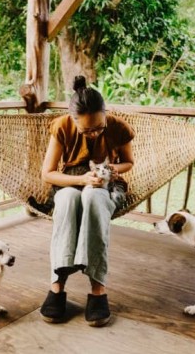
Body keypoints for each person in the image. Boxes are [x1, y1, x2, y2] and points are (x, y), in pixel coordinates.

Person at [39, 75, 135, 327]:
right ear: (73, 120)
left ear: (105, 114)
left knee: (93, 197)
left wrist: (114, 169)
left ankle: (97, 289)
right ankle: (57, 284)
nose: (93, 134)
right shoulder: (61, 126)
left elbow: (129, 163)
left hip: (107, 186)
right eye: (86, 130)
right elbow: (47, 173)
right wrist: (81, 180)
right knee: (70, 199)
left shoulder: (118, 127)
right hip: (72, 182)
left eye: (98, 128)